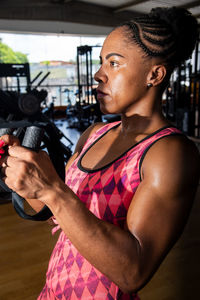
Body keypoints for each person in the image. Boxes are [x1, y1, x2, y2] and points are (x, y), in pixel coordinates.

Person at [0, 6, 200, 300]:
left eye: (114, 63)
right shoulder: (94, 134)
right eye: (101, 62)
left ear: (155, 75)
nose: (98, 74)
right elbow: (62, 217)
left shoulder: (169, 153)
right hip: (55, 288)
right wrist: (21, 173)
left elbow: (134, 272)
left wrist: (53, 190)